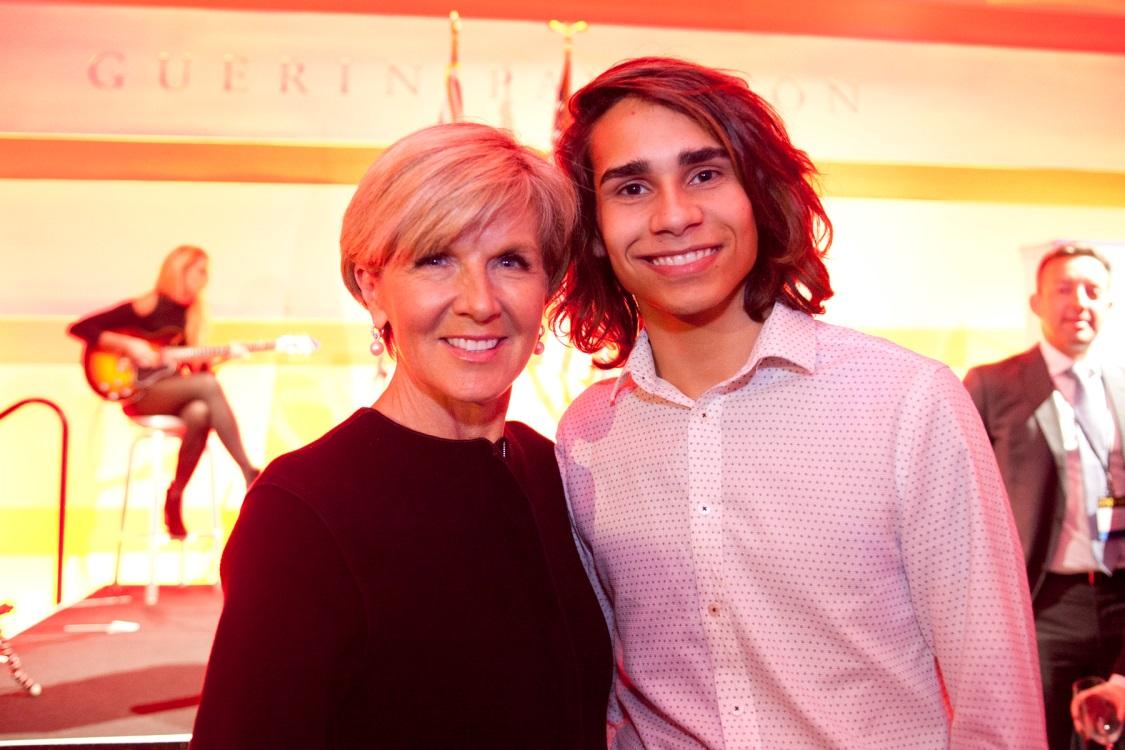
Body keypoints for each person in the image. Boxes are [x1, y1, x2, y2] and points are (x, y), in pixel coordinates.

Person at [550, 56, 1046, 748]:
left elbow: (997, 703)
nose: (674, 215)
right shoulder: (586, 437)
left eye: (704, 173)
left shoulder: (905, 402)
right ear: (595, 231)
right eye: (631, 187)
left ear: (757, 191)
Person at [190, 123, 611, 749]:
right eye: (436, 259)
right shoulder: (304, 508)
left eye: (510, 261)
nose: (480, 301)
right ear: (371, 287)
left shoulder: (552, 467)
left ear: (547, 288)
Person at [965, 243, 1124, 750]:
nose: (1079, 301)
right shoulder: (992, 384)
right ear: (1037, 303)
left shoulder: (1119, 386)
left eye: (1093, 291)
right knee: (1040, 737)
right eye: (1064, 289)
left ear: (1110, 305)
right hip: (1041, 602)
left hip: (1118, 597)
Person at [68, 245, 260, 539]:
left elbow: (199, 378)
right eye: (200, 271)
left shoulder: (193, 317)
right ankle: (248, 470)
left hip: (171, 394)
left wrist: (214, 360)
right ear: (180, 271)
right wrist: (128, 345)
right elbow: (81, 328)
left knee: (201, 411)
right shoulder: (149, 305)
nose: (206, 279)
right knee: (207, 390)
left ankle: (176, 495)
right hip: (140, 396)